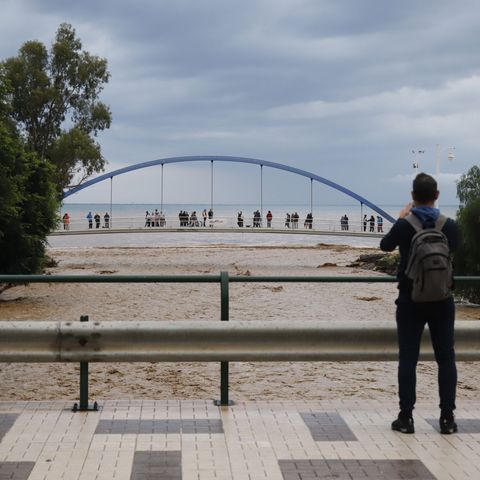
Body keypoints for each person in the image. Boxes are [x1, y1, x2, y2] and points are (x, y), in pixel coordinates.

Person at [380, 173, 458, 435]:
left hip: (410, 300)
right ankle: (447, 419)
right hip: (443, 299)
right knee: (446, 359)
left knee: (408, 359)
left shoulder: (404, 225)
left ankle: (406, 418)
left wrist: (402, 218)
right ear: (437, 196)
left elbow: (384, 246)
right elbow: (456, 249)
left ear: (412, 197)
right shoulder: (450, 226)